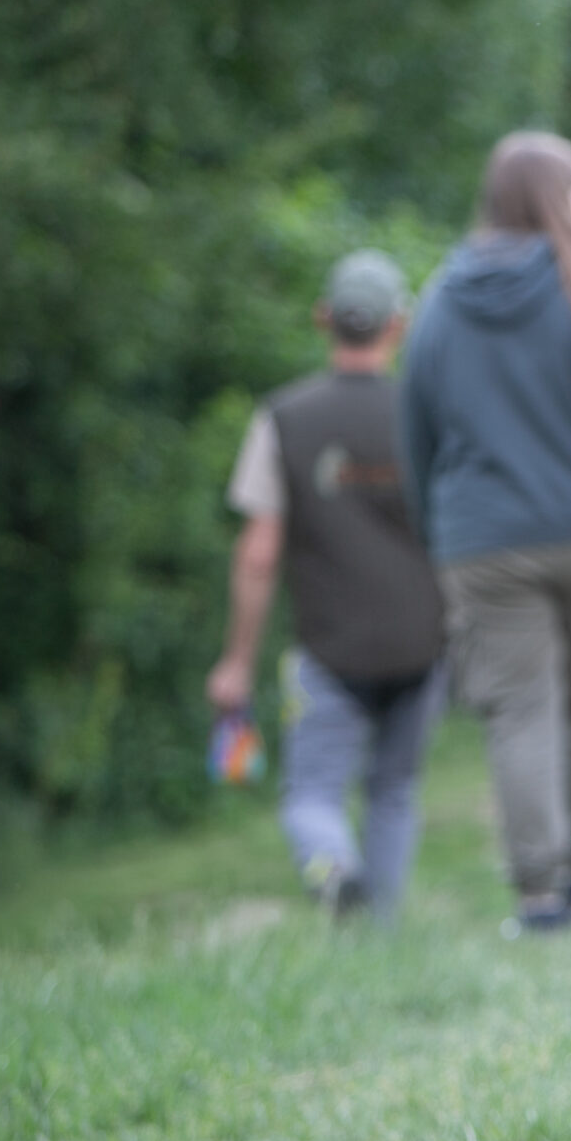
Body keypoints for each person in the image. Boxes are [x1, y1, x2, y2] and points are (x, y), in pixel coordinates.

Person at [401, 132, 571, 936]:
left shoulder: (438, 298)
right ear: (557, 198)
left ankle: (536, 898)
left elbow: (417, 434)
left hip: (482, 542)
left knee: (518, 711)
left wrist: (436, 524)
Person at [208, 251, 448, 919]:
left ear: (323, 320)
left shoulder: (282, 418)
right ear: (398, 326)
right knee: (393, 791)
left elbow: (258, 554)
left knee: (311, 795)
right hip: (423, 642)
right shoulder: (425, 416)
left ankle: (333, 868)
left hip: (328, 647)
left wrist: (236, 662)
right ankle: (380, 927)